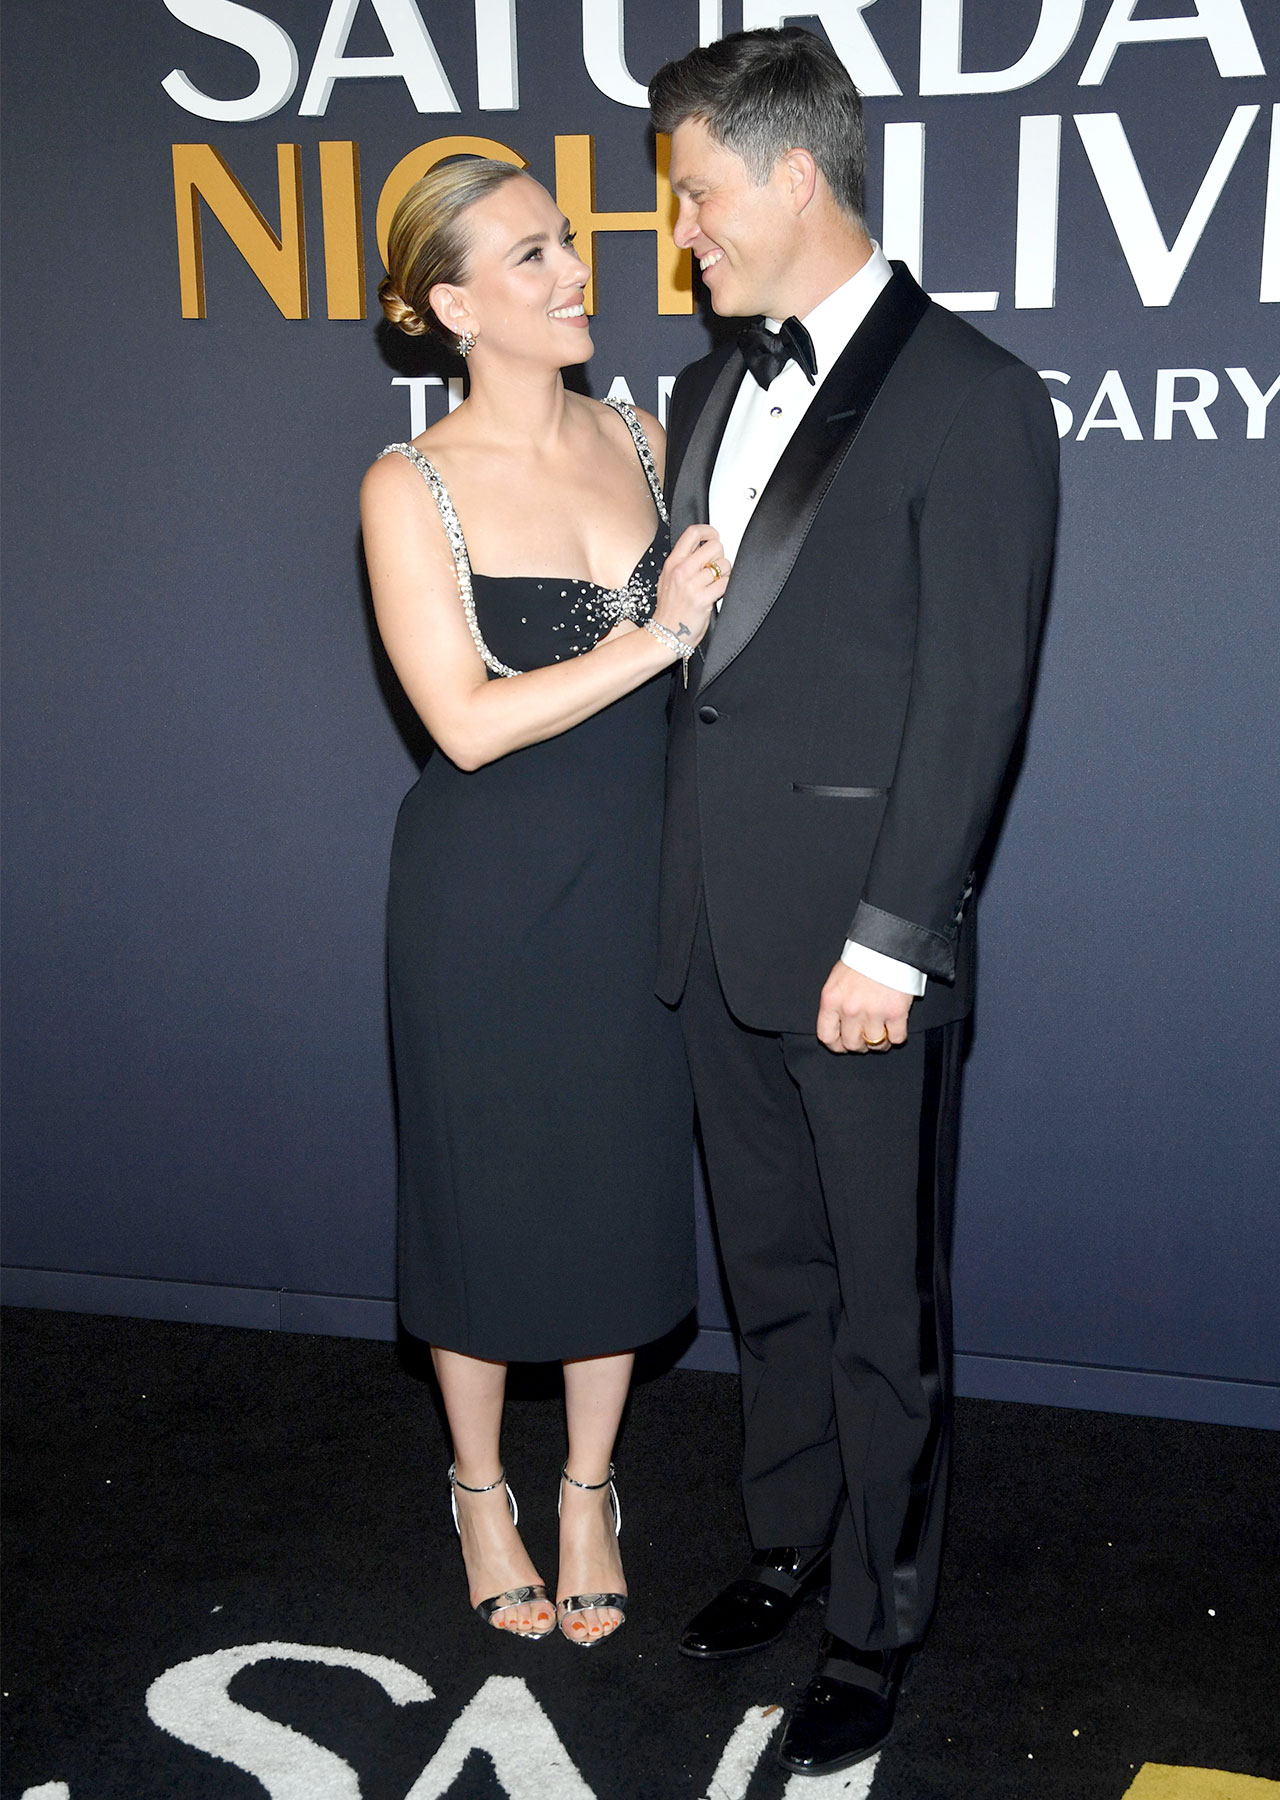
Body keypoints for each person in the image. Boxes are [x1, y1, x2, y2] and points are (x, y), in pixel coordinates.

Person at [649, 28, 1059, 1774]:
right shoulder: (700, 393)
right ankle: (789, 1540)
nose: (680, 233)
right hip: (713, 926)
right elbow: (717, 673)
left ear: (795, 174)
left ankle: (878, 1626)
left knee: (885, 1312)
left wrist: (893, 942)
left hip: (858, 952)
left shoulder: (975, 395)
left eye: (695, 195)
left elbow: (974, 698)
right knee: (770, 1276)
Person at [360, 159, 729, 1647]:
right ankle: (477, 1487)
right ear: (452, 306)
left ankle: (586, 1488)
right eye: (530, 255)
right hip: (484, 898)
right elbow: (462, 722)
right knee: (483, 1199)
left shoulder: (643, 439)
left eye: (566, 241)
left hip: (638, 887)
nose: (575, 269)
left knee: (615, 1191)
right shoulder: (412, 484)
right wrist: (658, 635)